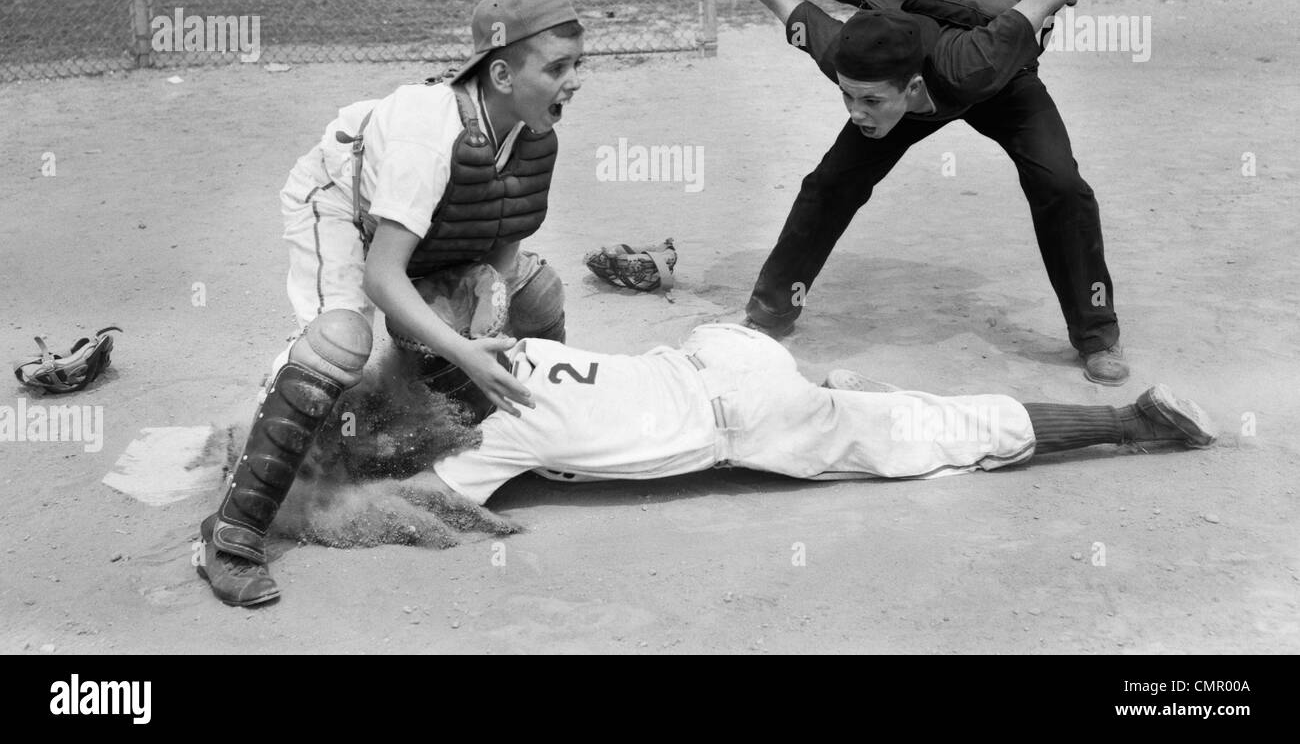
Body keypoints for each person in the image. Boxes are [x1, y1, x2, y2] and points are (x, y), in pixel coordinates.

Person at [661, 0, 1168, 387]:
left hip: (1002, 88)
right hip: (905, 85)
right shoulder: (845, 57)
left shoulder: (976, 63)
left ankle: (1096, 335)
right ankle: (769, 314)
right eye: (848, 97)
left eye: (869, 101)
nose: (856, 113)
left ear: (913, 88)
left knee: (1061, 185)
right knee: (828, 184)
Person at [197, 0, 585, 607]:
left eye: (577, 65)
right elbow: (383, 276)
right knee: (341, 343)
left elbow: (498, 242)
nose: (574, 81)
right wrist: (461, 350)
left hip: (412, 222)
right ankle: (234, 532)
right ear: (504, 75)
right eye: (558, 67)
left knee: (534, 295)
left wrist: (482, 314)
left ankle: (486, 436)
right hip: (342, 208)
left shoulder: (533, 134)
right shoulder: (425, 140)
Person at [403, 323, 1215, 509]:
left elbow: (428, 501)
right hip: (723, 349)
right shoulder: (524, 347)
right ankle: (845, 394)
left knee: (943, 432)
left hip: (749, 415)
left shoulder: (506, 431)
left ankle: (1131, 423)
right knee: (858, 408)